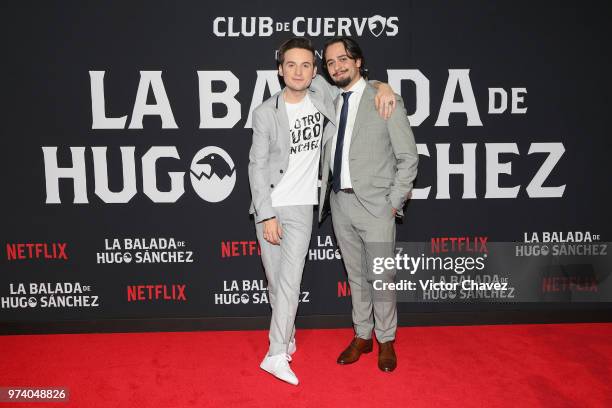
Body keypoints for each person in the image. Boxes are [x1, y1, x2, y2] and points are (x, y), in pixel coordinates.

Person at [248, 37, 396, 385]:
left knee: (289, 282)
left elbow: (356, 84)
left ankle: (276, 353)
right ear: (280, 69)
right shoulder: (265, 112)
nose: (298, 71)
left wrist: (383, 85)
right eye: (290, 65)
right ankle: (289, 334)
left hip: (302, 207)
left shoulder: (323, 97)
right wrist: (266, 214)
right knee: (275, 283)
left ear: (315, 71)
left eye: (305, 65)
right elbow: (256, 166)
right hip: (269, 206)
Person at [318, 36, 419, 372]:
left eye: (343, 59)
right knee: (356, 276)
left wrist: (392, 203)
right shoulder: (329, 101)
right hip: (340, 204)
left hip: (376, 207)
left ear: (358, 61)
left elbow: (408, 158)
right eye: (331, 62)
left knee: (381, 277)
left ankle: (385, 339)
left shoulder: (384, 99)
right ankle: (362, 335)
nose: (337, 66)